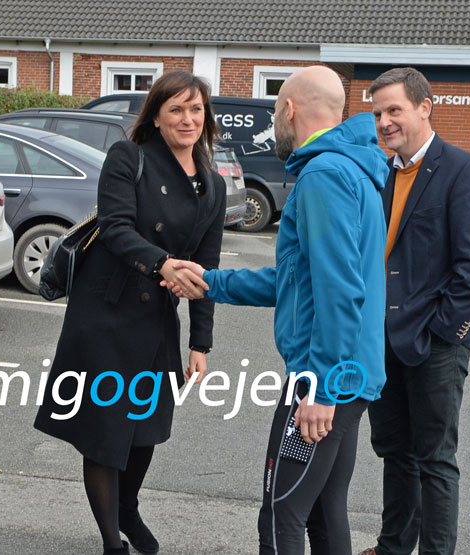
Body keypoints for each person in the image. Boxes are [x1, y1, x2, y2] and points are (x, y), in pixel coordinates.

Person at [167, 65, 389, 555]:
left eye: (274, 113)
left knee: (280, 515)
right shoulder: (353, 168)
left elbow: (338, 290)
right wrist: (211, 282)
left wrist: (322, 388)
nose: (274, 124)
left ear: (289, 109)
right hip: (347, 376)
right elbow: (298, 280)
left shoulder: (324, 175)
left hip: (323, 379)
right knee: (324, 513)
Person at [34, 70, 226, 555]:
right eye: (176, 109)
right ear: (156, 117)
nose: (187, 119)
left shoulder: (213, 185)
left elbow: (207, 268)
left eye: (196, 109)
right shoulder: (129, 157)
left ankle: (128, 509)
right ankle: (111, 543)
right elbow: (116, 228)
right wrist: (162, 263)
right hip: (107, 316)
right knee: (105, 434)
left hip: (157, 320)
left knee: (146, 430)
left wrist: (200, 342)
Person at [358, 68, 470, 555]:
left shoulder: (464, 170)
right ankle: (393, 547)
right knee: (395, 453)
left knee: (435, 459)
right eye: (378, 113)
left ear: (424, 107)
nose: (384, 122)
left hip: (435, 342)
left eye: (394, 110)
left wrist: (446, 332)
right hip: (380, 340)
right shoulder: (380, 173)